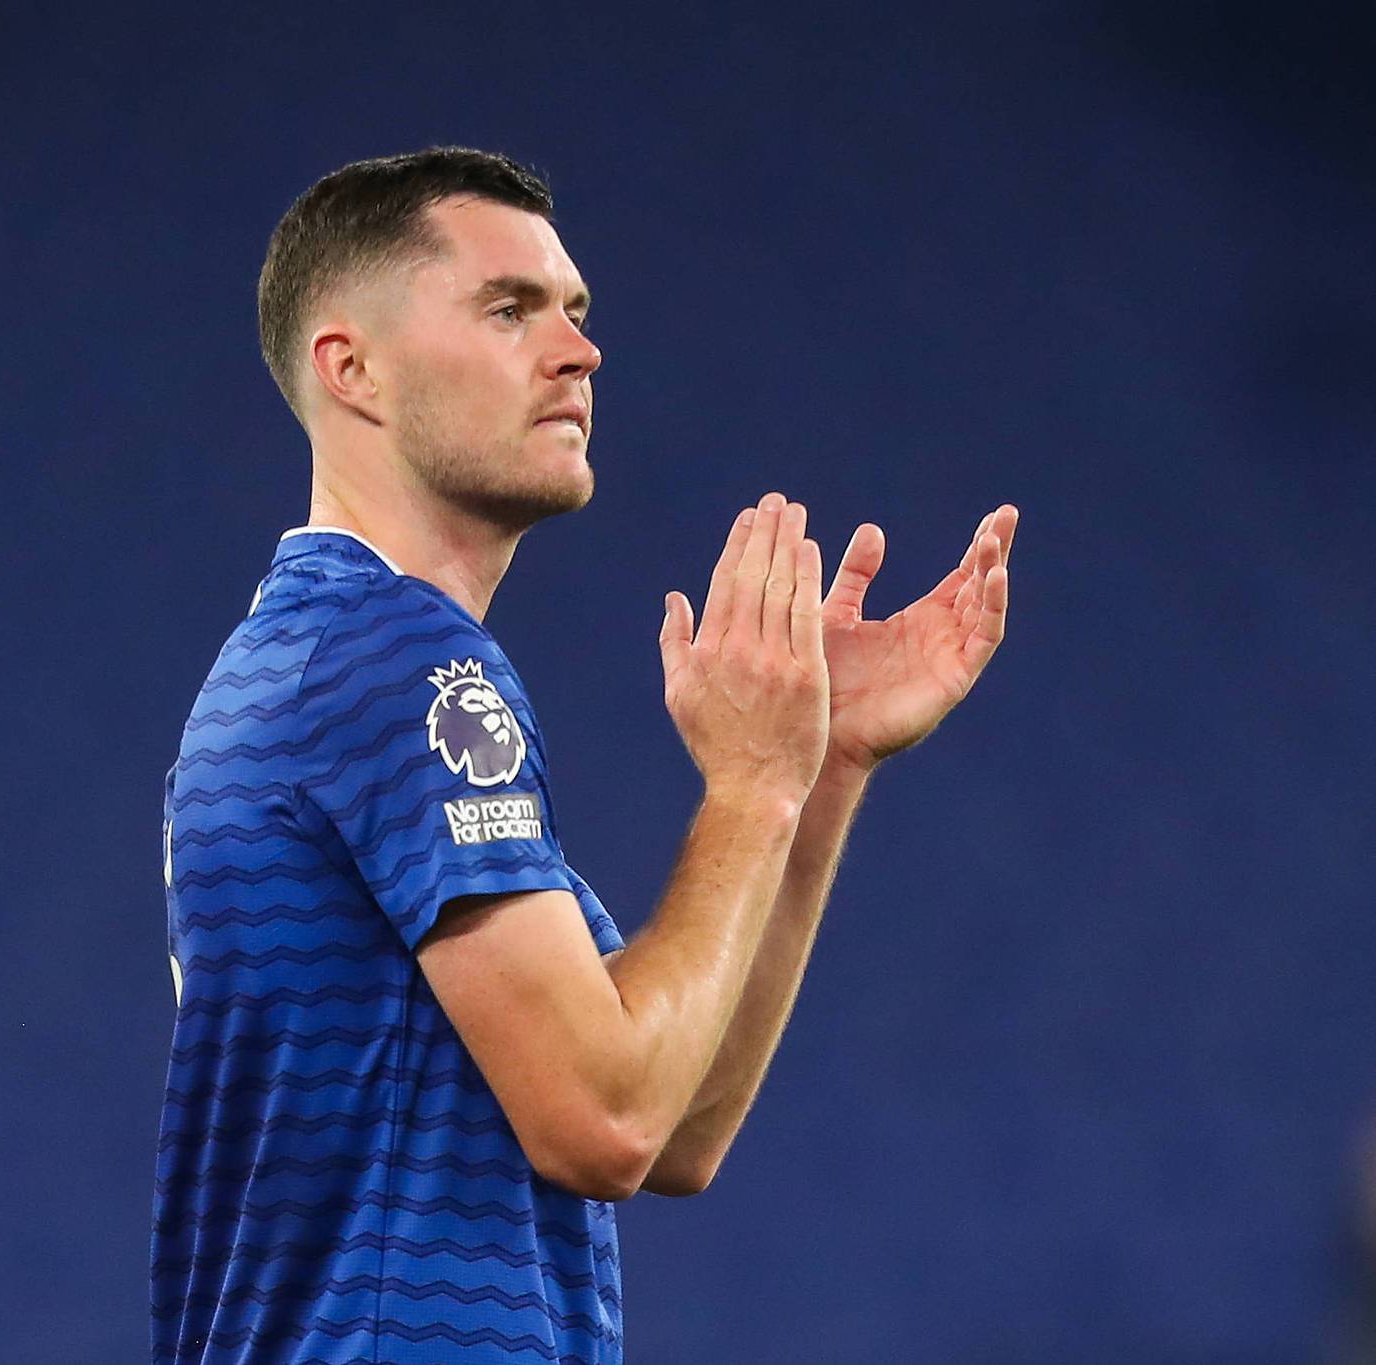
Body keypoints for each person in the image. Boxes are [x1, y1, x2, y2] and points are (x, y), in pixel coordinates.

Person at [150, 146, 1016, 1364]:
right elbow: (604, 1121)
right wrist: (750, 782)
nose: (578, 350)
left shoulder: (309, 660)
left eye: (574, 311)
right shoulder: (392, 659)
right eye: (508, 310)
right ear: (352, 370)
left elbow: (675, 1125)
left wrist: (814, 771)